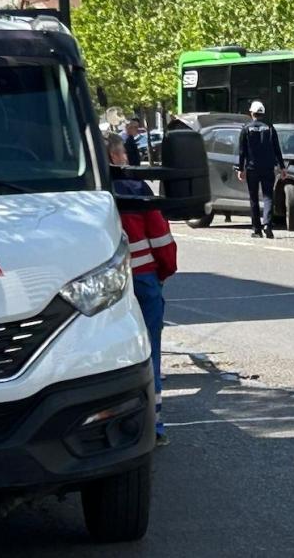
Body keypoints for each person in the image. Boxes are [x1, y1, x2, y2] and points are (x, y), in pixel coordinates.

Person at [106, 133, 177, 446]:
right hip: (145, 279)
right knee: (150, 353)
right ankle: (154, 427)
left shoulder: (90, 192)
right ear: (118, 156)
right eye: (123, 153)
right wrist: (163, 273)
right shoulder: (136, 188)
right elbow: (162, 240)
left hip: (105, 285)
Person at [236, 100, 287, 238]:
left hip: (252, 168)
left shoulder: (246, 128)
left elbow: (242, 151)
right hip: (268, 168)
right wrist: (282, 167)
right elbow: (277, 149)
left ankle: (256, 230)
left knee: (253, 198)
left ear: (251, 113)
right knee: (268, 197)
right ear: (263, 113)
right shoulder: (270, 128)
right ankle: (268, 225)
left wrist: (241, 169)